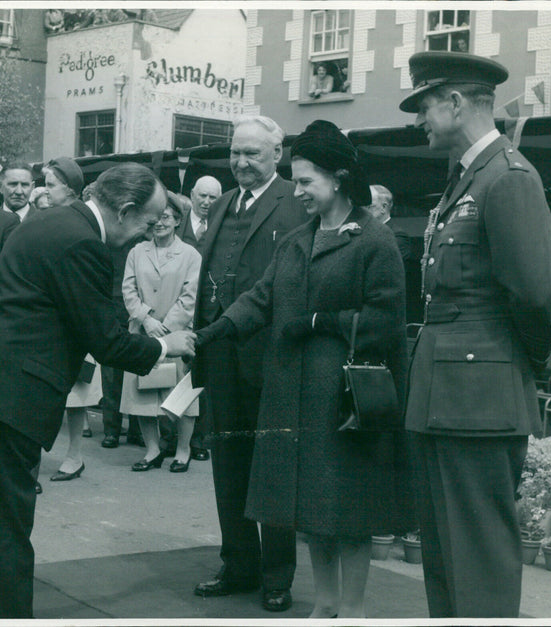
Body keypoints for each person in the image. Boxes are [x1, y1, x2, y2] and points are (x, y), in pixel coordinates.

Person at [0, 163, 196, 618]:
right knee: (5, 532)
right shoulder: (82, 242)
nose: (146, 234)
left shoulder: (53, 220)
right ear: (125, 210)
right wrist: (164, 345)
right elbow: (106, 340)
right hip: (6, 395)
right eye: (147, 223)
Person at [196, 120, 413, 618]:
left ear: (337, 179)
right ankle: (325, 606)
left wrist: (321, 320)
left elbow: (385, 321)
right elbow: (261, 298)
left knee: (349, 514)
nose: (299, 192)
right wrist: (209, 334)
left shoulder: (374, 241)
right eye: (295, 181)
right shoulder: (296, 240)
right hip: (294, 394)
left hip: (343, 399)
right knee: (312, 511)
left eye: (306, 182)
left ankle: (353, 611)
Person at [399, 51, 551, 617]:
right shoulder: (464, 179)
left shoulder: (508, 178)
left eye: (424, 104)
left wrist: (516, 366)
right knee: (443, 553)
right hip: (445, 395)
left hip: (480, 399)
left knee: (480, 558)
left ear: (456, 101)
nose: (418, 118)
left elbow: (534, 296)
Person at [191, 115, 307, 612]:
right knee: (228, 465)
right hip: (220, 355)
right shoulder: (219, 205)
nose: (240, 162)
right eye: (235, 153)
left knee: (274, 467)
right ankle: (238, 563)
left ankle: (277, 574)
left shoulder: (297, 202)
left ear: (276, 154)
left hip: (272, 357)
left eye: (252, 154)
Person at [120, 192, 201, 472]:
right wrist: (145, 319)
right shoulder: (136, 252)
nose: (160, 223)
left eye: (166, 217)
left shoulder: (191, 255)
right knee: (142, 394)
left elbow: (191, 295)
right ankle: (152, 450)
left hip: (177, 334)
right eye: (155, 218)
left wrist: (166, 327)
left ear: (178, 220)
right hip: (143, 331)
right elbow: (128, 289)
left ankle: (182, 449)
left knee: (182, 396)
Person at [37, 156, 101, 483]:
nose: (44, 191)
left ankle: (75, 455)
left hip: (76, 318)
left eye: (50, 185)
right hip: (49, 321)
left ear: (70, 187)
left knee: (78, 393)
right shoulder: (47, 216)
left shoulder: (86, 221)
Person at [177, 176, 222, 462]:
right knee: (175, 373)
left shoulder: (221, 225)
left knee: (203, 373)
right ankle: (172, 438)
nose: (206, 203)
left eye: (213, 198)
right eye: (202, 196)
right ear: (192, 195)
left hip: (208, 310)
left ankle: (199, 439)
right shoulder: (176, 223)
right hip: (179, 306)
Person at [366, 184, 412, 262]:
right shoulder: (360, 231)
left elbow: (386, 268)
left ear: (384, 207)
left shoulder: (397, 236)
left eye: (369, 206)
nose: (364, 211)